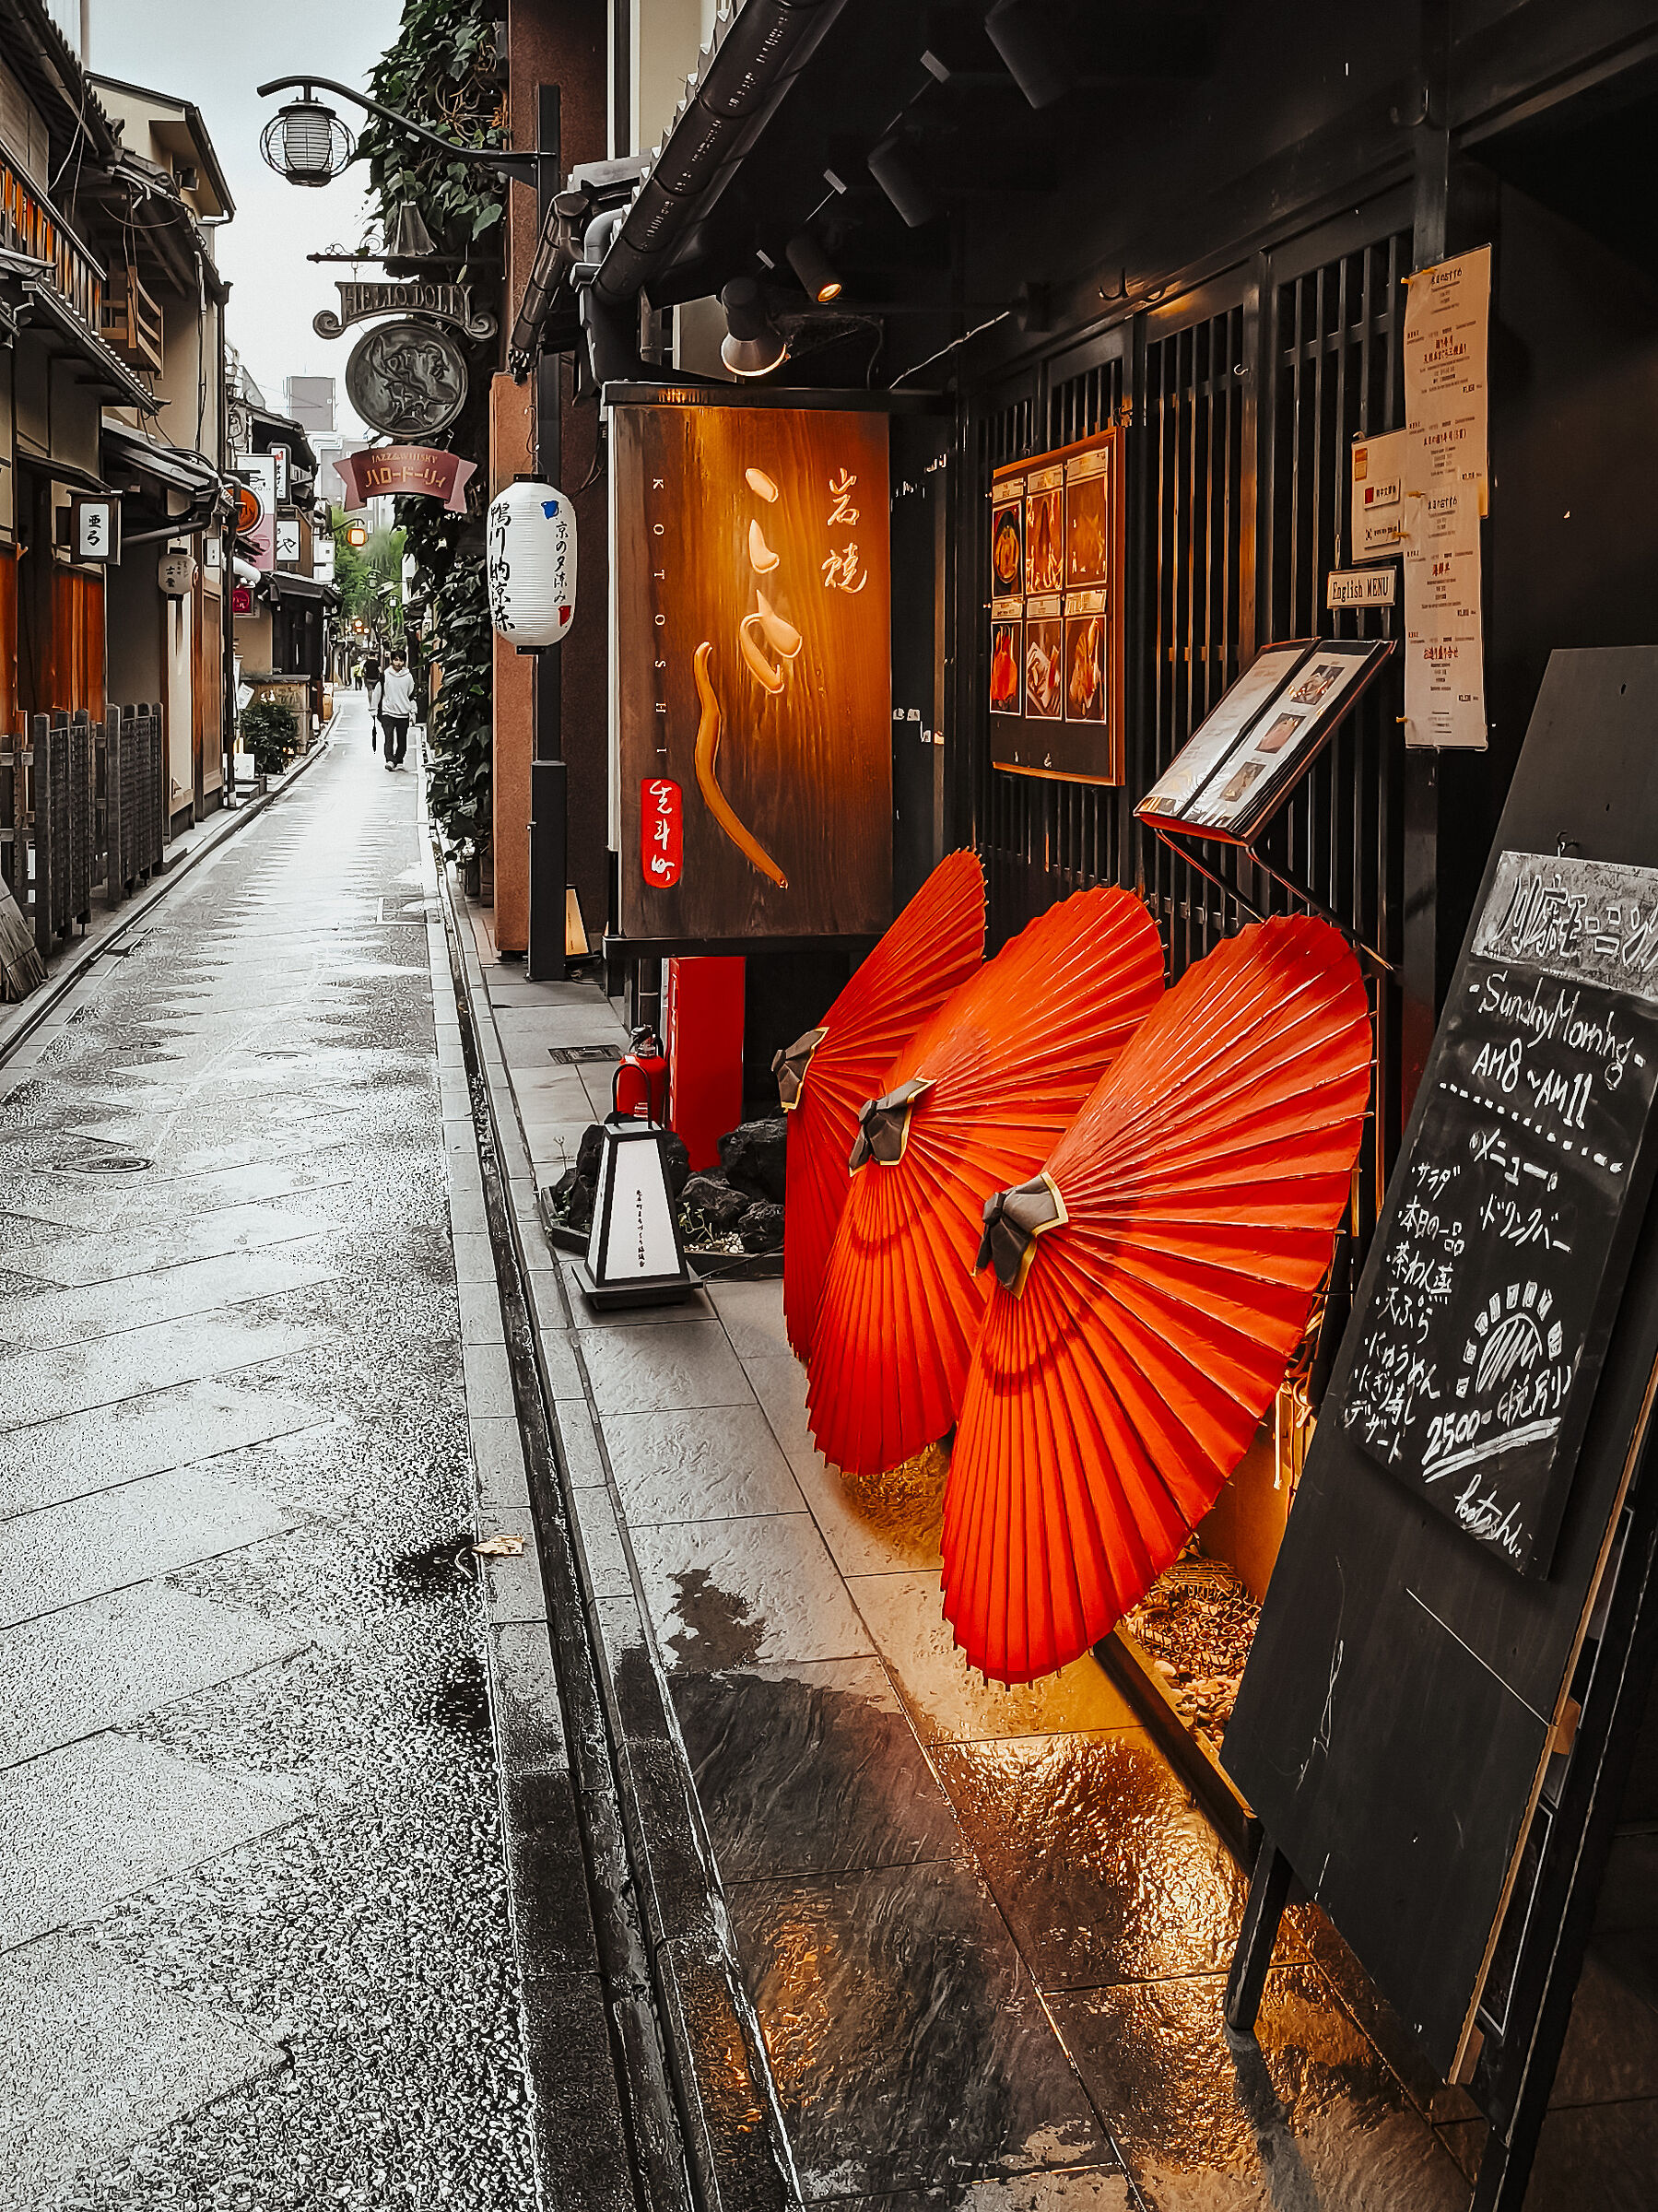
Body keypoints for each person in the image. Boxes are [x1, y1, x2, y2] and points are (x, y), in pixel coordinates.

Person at [375, 651, 417, 771]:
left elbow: (410, 694)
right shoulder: (385, 675)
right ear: (392, 660)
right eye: (396, 660)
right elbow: (378, 692)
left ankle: (399, 759)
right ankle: (389, 760)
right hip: (387, 712)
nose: (398, 663)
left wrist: (412, 711)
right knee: (389, 737)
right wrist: (374, 710)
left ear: (404, 661)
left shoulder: (408, 677)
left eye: (401, 660)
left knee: (402, 739)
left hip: (403, 712)